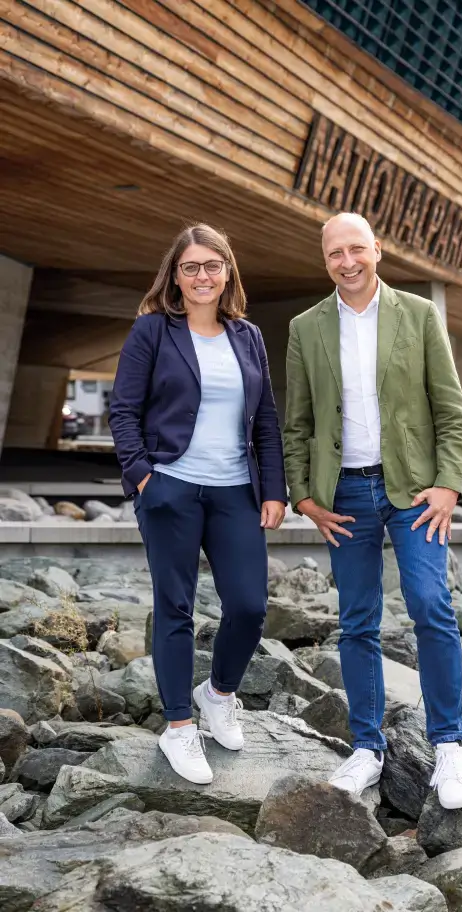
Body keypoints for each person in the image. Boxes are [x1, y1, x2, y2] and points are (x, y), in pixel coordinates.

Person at [283, 212, 462, 810]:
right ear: (326, 260)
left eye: (356, 249)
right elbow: (298, 423)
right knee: (357, 618)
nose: (347, 261)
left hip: (415, 494)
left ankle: (449, 743)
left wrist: (448, 485)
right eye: (335, 253)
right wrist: (304, 496)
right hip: (343, 498)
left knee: (430, 604)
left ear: (377, 251)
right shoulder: (304, 327)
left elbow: (451, 411)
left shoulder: (418, 315)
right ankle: (367, 748)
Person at [109, 223, 286, 785]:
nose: (203, 276)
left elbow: (266, 422)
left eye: (213, 265)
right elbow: (123, 411)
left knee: (249, 606)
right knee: (176, 607)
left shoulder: (248, 336)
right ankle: (179, 728)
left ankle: (218, 695)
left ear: (228, 270)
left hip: (236, 490)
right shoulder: (152, 332)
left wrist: (275, 489)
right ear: (175, 276)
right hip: (171, 488)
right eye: (192, 267)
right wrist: (144, 479)